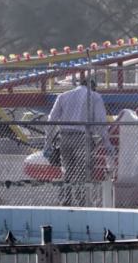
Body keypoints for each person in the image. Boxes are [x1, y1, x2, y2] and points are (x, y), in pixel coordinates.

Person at [44, 75, 114, 205]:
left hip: (64, 137)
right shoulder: (94, 96)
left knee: (67, 170)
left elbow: (51, 120)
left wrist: (47, 144)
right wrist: (107, 144)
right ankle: (82, 200)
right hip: (83, 138)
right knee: (84, 171)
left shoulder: (63, 96)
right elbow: (101, 122)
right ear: (93, 86)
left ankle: (67, 199)